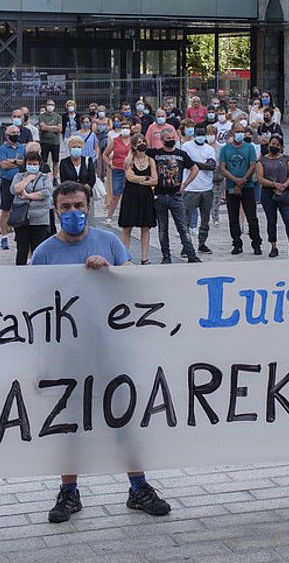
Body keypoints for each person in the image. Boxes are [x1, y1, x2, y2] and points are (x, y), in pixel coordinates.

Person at [29, 181, 173, 523]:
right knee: (69, 426)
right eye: (65, 207)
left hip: (110, 349)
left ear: (88, 206)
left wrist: (111, 271)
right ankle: (69, 492)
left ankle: (138, 487)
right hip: (69, 353)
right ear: (56, 211)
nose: (73, 213)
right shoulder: (45, 253)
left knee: (125, 420)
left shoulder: (108, 242)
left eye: (78, 205)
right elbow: (34, 306)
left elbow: (135, 287)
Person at [150, 129, 200, 264]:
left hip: (176, 195)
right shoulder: (155, 154)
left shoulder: (181, 154)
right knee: (162, 228)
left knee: (183, 227)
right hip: (159, 195)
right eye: (167, 138)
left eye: (173, 137)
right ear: (162, 140)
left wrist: (185, 184)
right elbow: (138, 151)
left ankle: (191, 254)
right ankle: (166, 255)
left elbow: (195, 168)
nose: (171, 139)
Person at [257, 133, 289, 258]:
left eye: (277, 145)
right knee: (271, 221)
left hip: (284, 192)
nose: (274, 146)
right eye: (273, 144)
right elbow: (260, 179)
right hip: (268, 193)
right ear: (268, 145)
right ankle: (273, 247)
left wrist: (283, 186)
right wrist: (274, 184)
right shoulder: (262, 160)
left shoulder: (286, 159)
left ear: (281, 146)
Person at [220, 122, 262, 256]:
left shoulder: (249, 147)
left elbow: (252, 165)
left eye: (242, 131)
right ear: (232, 132)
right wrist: (235, 181)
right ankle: (236, 243)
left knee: (252, 217)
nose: (240, 134)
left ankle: (256, 243)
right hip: (231, 187)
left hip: (247, 186)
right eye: (237, 131)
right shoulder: (225, 149)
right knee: (233, 218)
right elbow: (222, 167)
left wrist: (242, 181)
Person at [118, 134, 157, 265]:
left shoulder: (150, 160)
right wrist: (145, 179)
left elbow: (155, 180)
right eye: (139, 142)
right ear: (134, 145)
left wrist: (140, 180)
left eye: (144, 141)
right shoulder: (129, 160)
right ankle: (124, 256)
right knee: (127, 227)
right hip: (131, 195)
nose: (142, 144)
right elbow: (130, 177)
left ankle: (144, 258)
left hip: (146, 195)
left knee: (145, 227)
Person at [12, 144, 54, 265]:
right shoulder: (19, 176)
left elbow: (46, 192)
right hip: (22, 218)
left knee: (38, 248)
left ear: (39, 165)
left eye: (34, 164)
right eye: (29, 164)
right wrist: (28, 179)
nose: (32, 166)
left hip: (40, 217)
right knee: (22, 248)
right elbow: (15, 189)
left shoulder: (45, 178)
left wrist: (28, 196)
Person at [181, 125, 217, 255]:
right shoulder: (186, 146)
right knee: (186, 219)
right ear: (194, 134)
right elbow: (185, 163)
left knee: (205, 219)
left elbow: (211, 166)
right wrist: (201, 165)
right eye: (199, 133)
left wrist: (194, 164)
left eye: (203, 133)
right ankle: (186, 245)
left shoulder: (209, 149)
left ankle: (202, 243)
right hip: (191, 187)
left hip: (206, 188)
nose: (201, 136)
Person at [37, 100, 64, 165]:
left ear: (54, 106)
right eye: (49, 104)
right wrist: (54, 127)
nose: (50, 106)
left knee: (55, 162)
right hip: (44, 142)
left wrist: (47, 127)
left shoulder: (58, 116)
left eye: (52, 105)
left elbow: (60, 129)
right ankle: (44, 174)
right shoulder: (41, 116)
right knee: (43, 161)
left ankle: (55, 175)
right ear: (46, 105)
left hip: (55, 142)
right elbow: (42, 128)